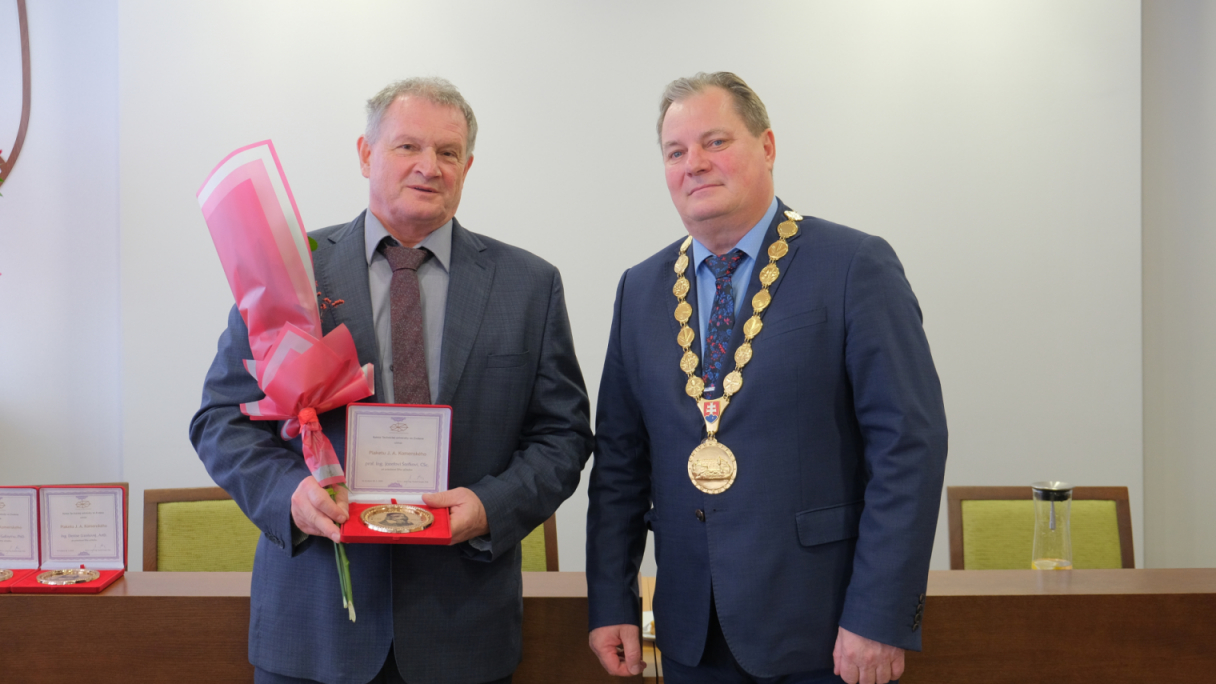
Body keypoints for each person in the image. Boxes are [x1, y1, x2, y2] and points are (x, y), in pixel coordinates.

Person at [191, 77, 593, 684]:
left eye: (448, 152)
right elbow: (221, 420)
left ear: (467, 166)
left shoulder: (529, 286)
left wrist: (490, 508)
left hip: (463, 631)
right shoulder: (291, 267)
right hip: (314, 631)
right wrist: (289, 494)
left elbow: (563, 436)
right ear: (365, 153)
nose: (429, 167)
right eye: (408, 146)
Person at [586, 72, 948, 684]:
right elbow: (619, 463)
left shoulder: (853, 265)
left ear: (768, 146)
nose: (694, 164)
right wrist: (611, 601)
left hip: (824, 632)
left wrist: (879, 615)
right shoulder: (640, 289)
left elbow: (909, 446)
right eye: (675, 152)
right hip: (690, 636)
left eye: (715, 142)